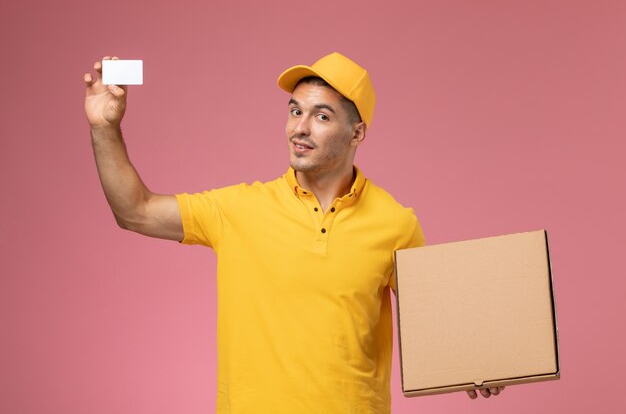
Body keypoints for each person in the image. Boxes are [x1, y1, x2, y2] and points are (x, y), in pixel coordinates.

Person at [83, 52, 503, 413]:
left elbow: (437, 330)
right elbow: (134, 211)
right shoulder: (239, 209)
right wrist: (105, 127)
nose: (299, 127)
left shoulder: (396, 223)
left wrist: (476, 364)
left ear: (356, 133)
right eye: (295, 110)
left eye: (321, 116)